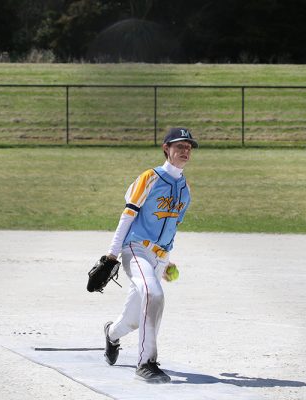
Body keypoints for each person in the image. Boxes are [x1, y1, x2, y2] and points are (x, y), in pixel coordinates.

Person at [103, 127, 198, 383]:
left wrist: (166, 260)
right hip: (135, 248)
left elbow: (171, 227)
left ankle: (111, 334)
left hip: (157, 258)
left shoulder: (185, 189)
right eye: (179, 146)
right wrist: (111, 255)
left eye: (188, 147)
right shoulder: (150, 178)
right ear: (166, 149)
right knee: (154, 295)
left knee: (132, 321)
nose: (185, 151)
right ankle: (146, 363)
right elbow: (128, 215)